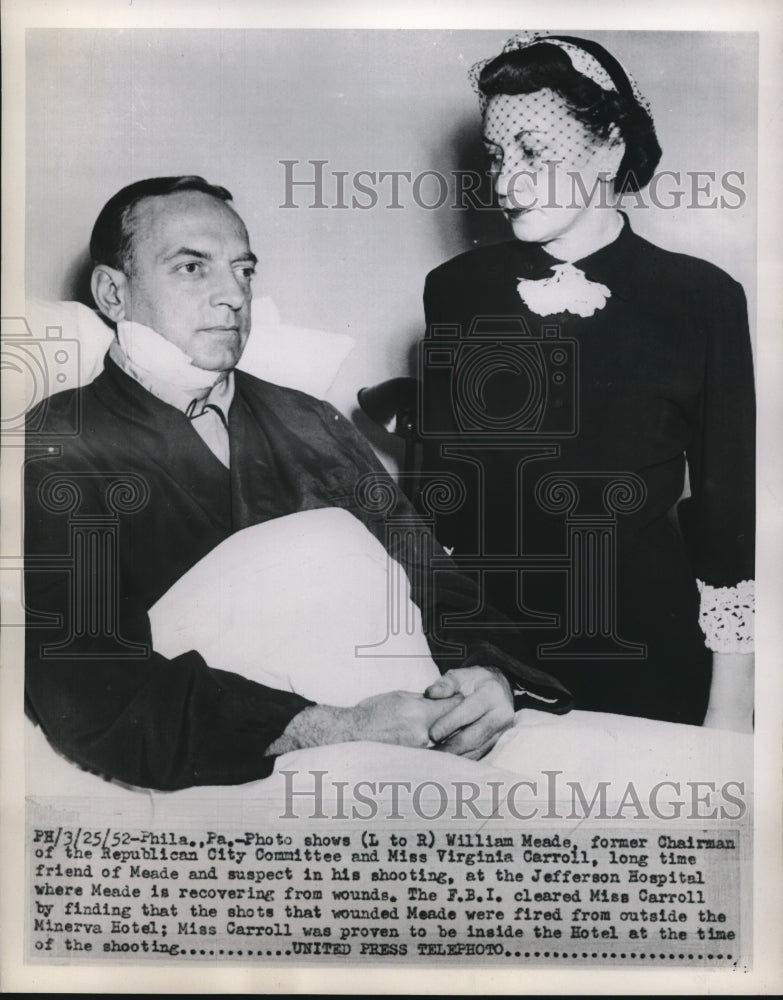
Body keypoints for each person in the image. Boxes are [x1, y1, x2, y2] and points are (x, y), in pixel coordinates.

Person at [23, 175, 572, 791]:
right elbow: (82, 677)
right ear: (113, 293)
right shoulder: (62, 438)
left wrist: (488, 675)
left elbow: (432, 579)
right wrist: (338, 725)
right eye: (192, 268)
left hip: (397, 711)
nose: (233, 294)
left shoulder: (306, 418)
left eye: (244, 270)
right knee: (325, 540)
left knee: (611, 758)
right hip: (230, 746)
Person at [417, 33, 755, 731]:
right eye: (496, 155)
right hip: (487, 666)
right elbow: (436, 498)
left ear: (607, 149)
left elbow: (728, 518)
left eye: (534, 153)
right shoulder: (455, 291)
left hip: (647, 659)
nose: (506, 181)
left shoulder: (699, 297)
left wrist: (730, 701)